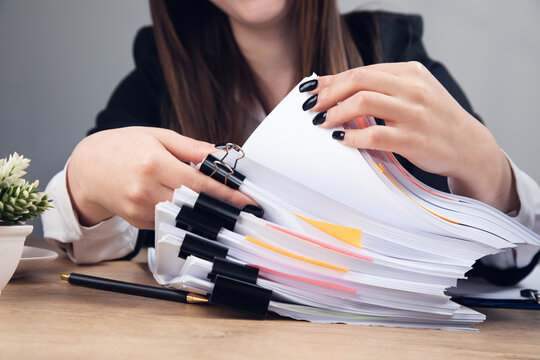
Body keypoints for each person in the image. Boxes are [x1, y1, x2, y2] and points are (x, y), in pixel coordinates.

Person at [42, 0, 539, 283]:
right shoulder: (159, 76)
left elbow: (502, 262)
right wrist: (84, 185)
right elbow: (88, 241)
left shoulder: (393, 50)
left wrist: (489, 170)